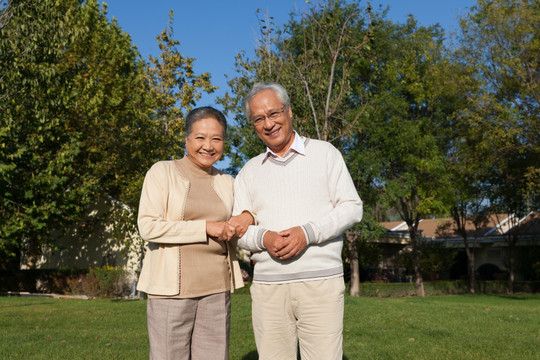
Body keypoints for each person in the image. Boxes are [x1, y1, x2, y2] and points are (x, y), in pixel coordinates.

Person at [233, 82, 363, 360]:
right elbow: (238, 232)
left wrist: (308, 232)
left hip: (320, 286)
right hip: (269, 290)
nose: (268, 124)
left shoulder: (326, 154)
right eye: (259, 118)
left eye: (274, 113)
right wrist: (264, 238)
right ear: (253, 125)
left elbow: (352, 208)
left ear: (289, 112)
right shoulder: (249, 171)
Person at [136, 106, 252, 360]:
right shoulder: (161, 172)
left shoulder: (228, 182)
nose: (208, 146)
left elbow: (246, 217)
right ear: (187, 139)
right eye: (200, 137)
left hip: (216, 289)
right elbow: (148, 226)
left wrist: (248, 216)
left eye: (217, 139)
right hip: (170, 293)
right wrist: (205, 227)